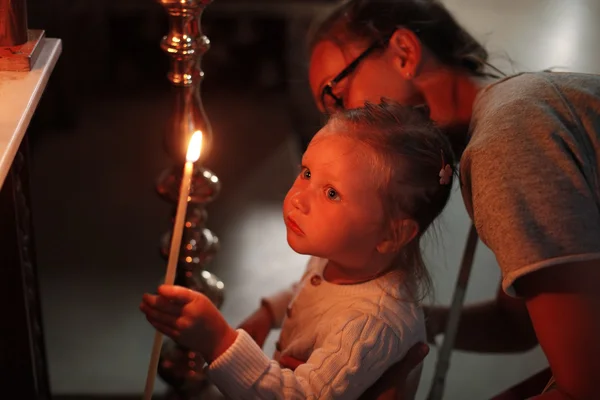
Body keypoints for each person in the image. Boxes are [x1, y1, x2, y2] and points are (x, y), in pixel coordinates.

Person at [305, 0, 600, 398]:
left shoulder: (508, 137)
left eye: (336, 97)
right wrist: (390, 330)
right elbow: (516, 327)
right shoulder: (512, 118)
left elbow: (585, 385)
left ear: (404, 53)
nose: (339, 128)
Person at [141, 101, 456, 399]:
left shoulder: (368, 325)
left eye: (331, 193)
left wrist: (219, 341)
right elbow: (309, 290)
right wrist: (268, 313)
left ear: (391, 233)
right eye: (306, 173)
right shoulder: (343, 258)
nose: (298, 198)